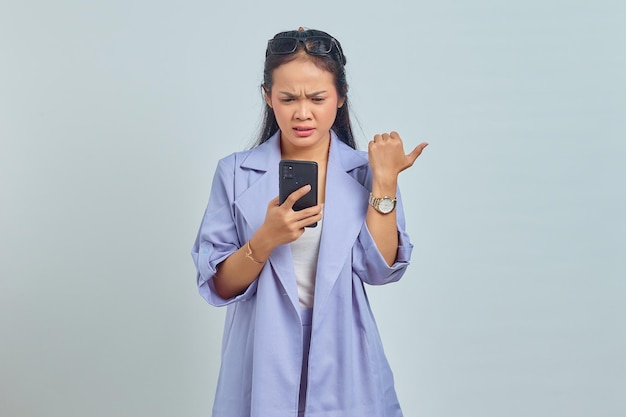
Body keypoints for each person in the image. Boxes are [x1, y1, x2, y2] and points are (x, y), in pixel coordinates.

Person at [192, 27, 428, 417]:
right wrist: (264, 239)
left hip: (344, 350)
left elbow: (379, 270)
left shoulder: (365, 172)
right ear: (268, 97)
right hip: (260, 351)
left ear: (340, 97)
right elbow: (218, 284)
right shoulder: (235, 173)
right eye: (288, 98)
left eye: (317, 98)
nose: (303, 112)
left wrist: (384, 181)